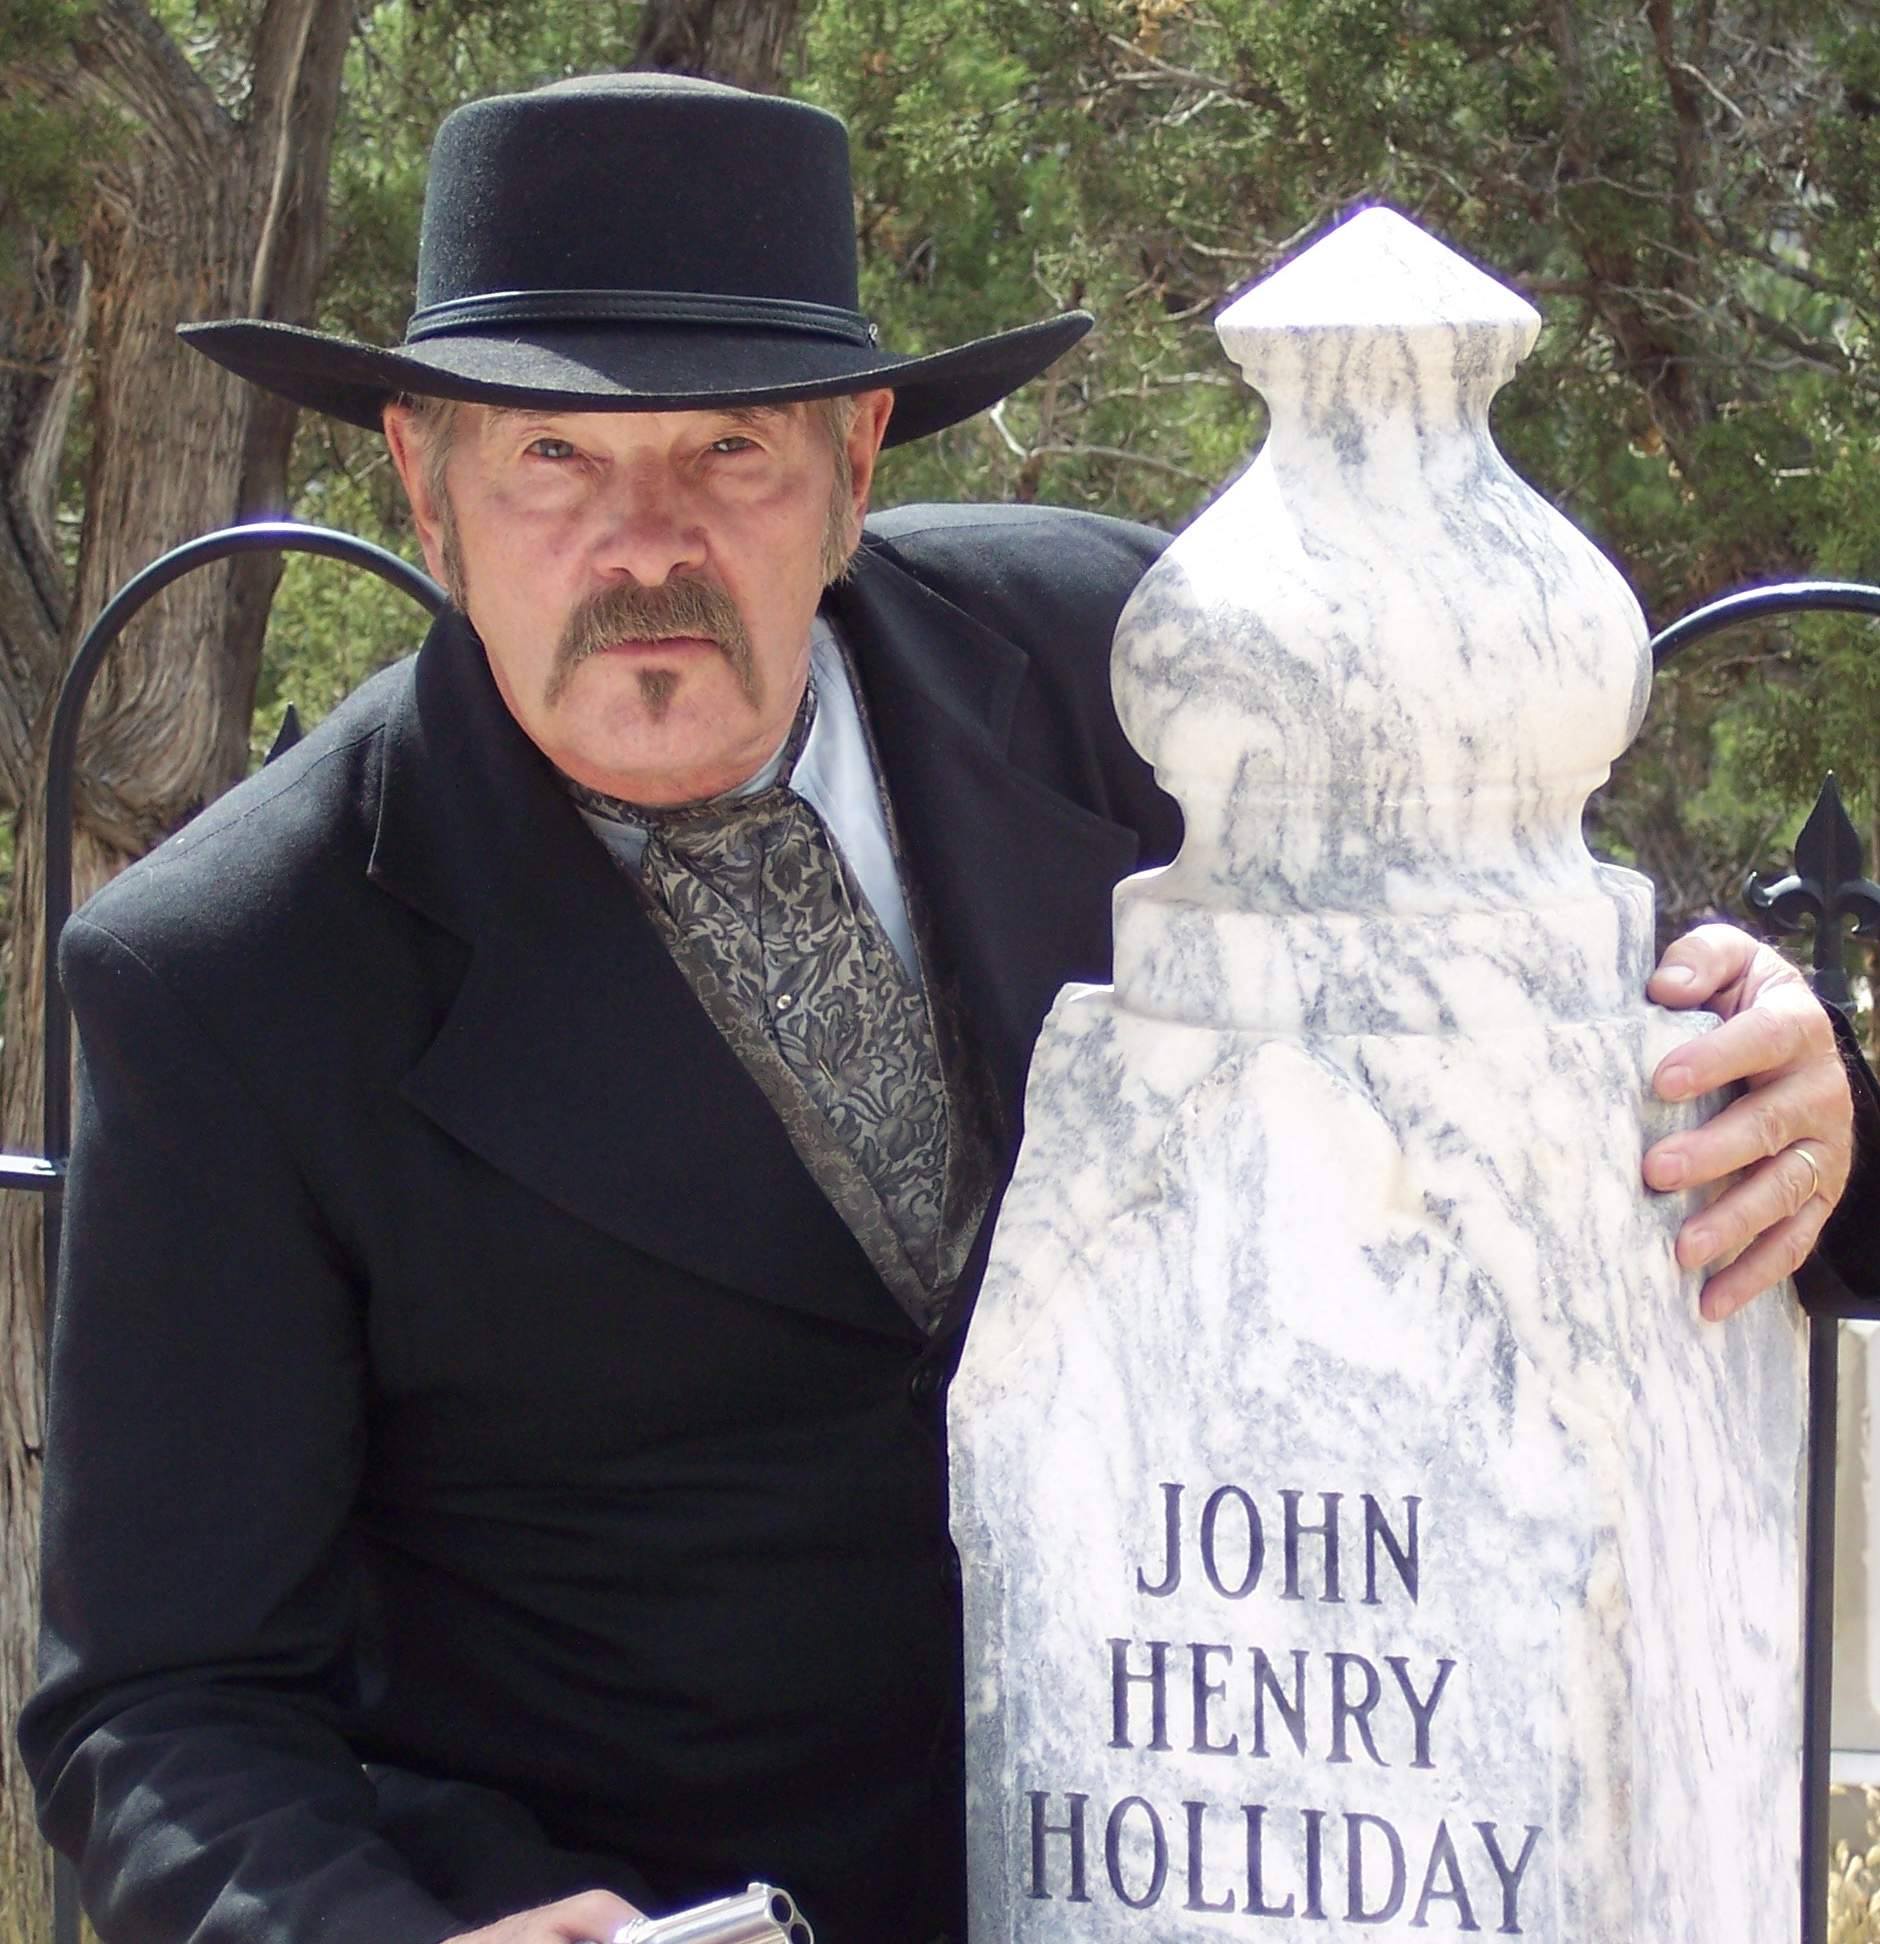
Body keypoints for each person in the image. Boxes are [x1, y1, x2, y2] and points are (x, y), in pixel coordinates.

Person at [17, 71, 1872, 1944]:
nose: (641, 546)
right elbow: (161, 1707)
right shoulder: (236, 979)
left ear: (857, 460)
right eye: (551, 460)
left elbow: (1575, 1033)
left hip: (1271, 1861)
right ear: (424, 482)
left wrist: (1807, 1101)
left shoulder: (1130, 667)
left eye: (728, 450)